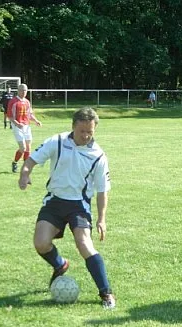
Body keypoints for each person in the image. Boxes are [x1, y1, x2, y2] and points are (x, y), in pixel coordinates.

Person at [18, 107, 116, 309]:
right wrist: (24, 174)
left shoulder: (98, 155)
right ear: (73, 127)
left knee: (84, 244)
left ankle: (106, 293)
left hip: (78, 205)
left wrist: (101, 219)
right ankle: (59, 264)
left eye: (90, 132)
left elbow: (102, 191)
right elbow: (31, 160)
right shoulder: (58, 141)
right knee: (41, 243)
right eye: (82, 131)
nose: (86, 135)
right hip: (54, 202)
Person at [7, 83, 42, 173]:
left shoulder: (27, 102)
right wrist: (17, 123)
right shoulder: (13, 102)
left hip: (26, 126)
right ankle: (15, 162)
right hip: (17, 127)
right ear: (18, 91)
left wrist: (36, 121)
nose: (24, 92)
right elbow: (10, 116)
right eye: (22, 90)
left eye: (25, 90)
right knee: (22, 148)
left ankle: (25, 167)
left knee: (28, 148)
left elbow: (30, 114)